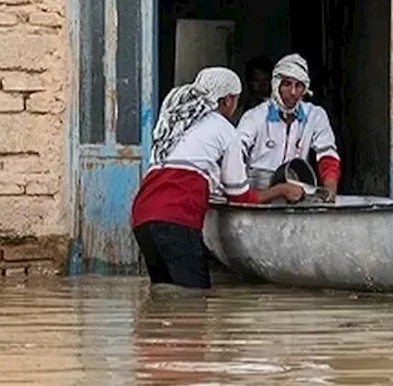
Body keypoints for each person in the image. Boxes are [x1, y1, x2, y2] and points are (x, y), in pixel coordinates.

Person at [130, 67, 305, 290]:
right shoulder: (223, 129)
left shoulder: (174, 125)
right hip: (175, 217)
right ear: (228, 100)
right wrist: (281, 190)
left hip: (142, 215)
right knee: (195, 298)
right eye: (236, 101)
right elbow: (241, 196)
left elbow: (192, 172)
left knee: (164, 294)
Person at [236, 53, 341, 199]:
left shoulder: (315, 115)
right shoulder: (254, 117)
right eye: (287, 84)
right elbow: (236, 154)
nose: (293, 92)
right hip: (257, 197)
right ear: (276, 85)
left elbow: (327, 155)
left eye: (298, 86)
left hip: (295, 196)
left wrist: (330, 193)